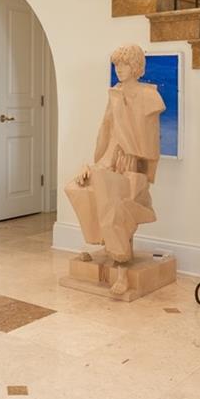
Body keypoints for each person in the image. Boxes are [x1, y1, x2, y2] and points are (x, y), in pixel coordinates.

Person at [64, 43, 164, 293]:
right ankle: (106, 243)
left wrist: (136, 169)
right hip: (110, 162)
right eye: (117, 64)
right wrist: (94, 166)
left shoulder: (149, 96)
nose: (119, 69)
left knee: (114, 202)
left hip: (133, 166)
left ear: (136, 67)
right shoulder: (115, 95)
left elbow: (150, 144)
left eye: (125, 64)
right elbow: (107, 134)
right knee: (76, 188)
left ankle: (120, 263)